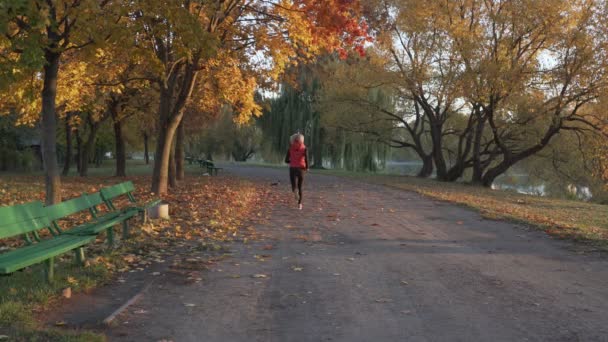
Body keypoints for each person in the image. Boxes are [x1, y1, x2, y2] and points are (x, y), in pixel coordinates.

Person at [285, 133, 308, 210]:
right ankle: (300, 204)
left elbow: (286, 160)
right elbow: (307, 159)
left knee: (294, 186)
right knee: (300, 186)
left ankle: (295, 191)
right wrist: (307, 167)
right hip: (301, 169)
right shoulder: (304, 148)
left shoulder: (290, 148)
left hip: (293, 168)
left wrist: (291, 161)